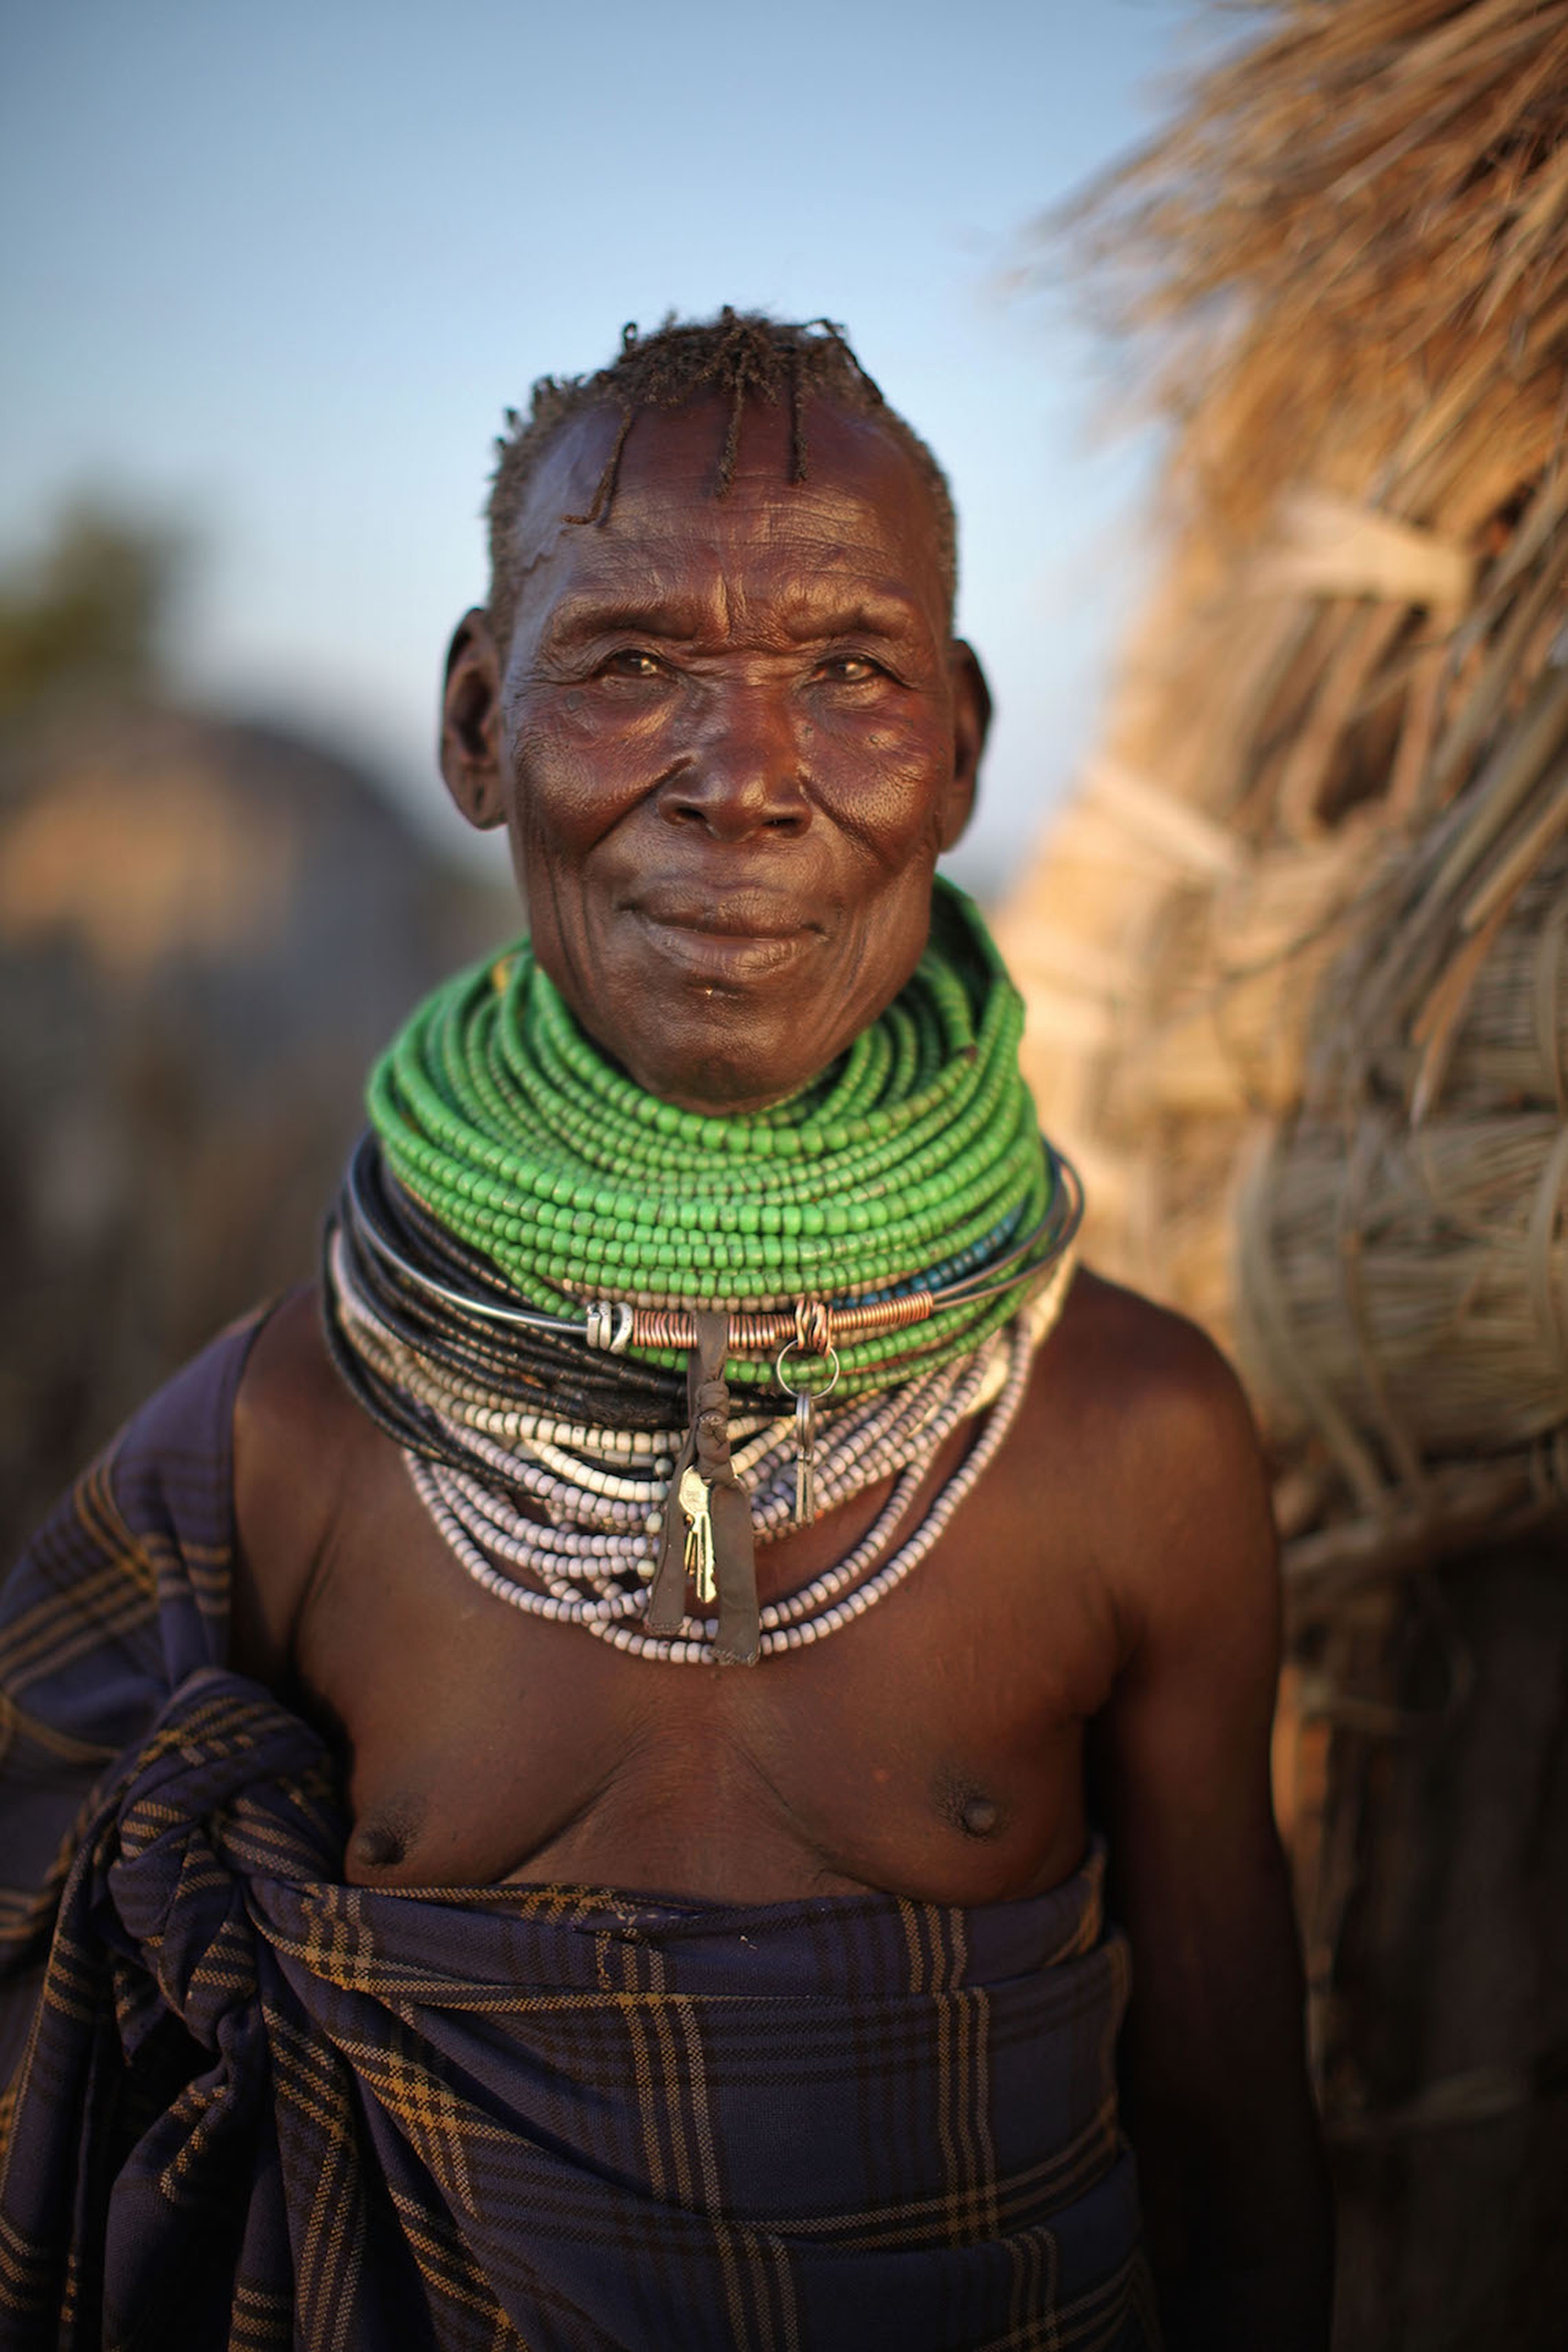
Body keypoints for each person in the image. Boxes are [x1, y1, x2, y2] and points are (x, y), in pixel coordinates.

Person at [0, 313, 1330, 2350]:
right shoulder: (300, 1430)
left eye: (851, 677)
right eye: (630, 666)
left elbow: (1235, 2126)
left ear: (959, 748)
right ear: (473, 723)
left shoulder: (1132, 1433)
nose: (745, 784)